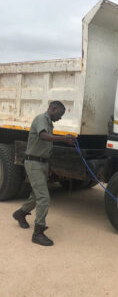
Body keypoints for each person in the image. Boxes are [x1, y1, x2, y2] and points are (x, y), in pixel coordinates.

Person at [12, 101, 75, 246]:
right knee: (44, 198)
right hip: (34, 163)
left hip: (42, 163)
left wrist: (49, 166)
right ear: (53, 108)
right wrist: (63, 138)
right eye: (59, 115)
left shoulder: (49, 123)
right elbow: (44, 136)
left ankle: (20, 214)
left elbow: (46, 146)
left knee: (36, 195)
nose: (60, 118)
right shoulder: (41, 119)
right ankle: (38, 233)